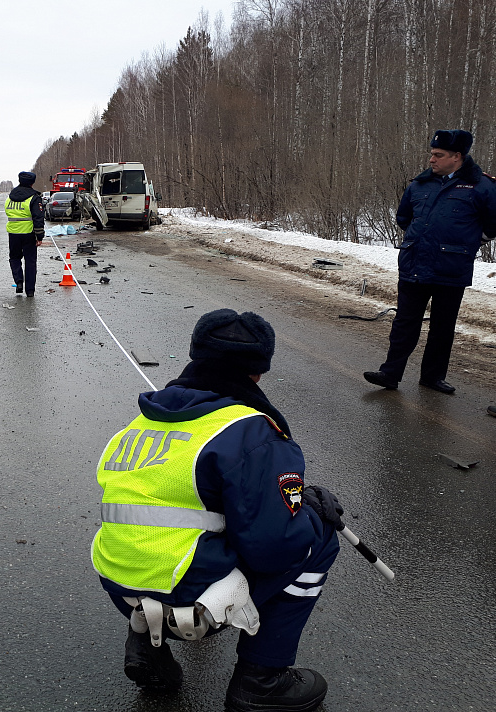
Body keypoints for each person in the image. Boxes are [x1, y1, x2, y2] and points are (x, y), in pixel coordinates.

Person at [92, 309, 342, 711]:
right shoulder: (251, 432)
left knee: (171, 532)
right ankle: (262, 679)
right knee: (318, 539)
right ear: (258, 372)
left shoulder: (138, 425)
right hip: (187, 597)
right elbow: (275, 547)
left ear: (196, 355)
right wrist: (309, 510)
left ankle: (145, 642)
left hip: (120, 587)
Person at [364, 129, 496, 394]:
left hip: (451, 267)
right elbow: (404, 218)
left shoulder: (482, 186)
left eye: (438, 155)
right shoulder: (420, 184)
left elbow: (492, 224)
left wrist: (468, 243)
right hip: (414, 262)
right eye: (432, 154)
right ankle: (390, 373)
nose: (432, 160)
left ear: (457, 156)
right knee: (405, 322)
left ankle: (433, 377)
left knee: (442, 326)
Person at [4, 171, 45, 296]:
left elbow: (7, 211)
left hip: (13, 233)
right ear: (32, 183)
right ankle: (30, 290)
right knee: (30, 261)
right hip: (29, 233)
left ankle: (19, 281)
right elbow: (38, 218)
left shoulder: (10, 196)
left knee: (14, 258)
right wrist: (39, 236)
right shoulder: (34, 197)